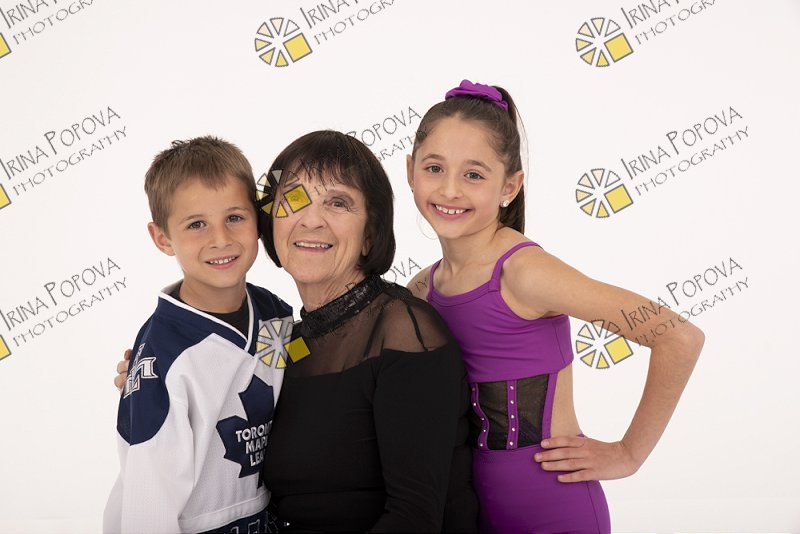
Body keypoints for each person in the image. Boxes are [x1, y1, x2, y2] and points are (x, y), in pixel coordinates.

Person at [113, 131, 478, 532]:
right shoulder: (285, 334)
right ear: (268, 222)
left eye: (337, 202)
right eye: (294, 199)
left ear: (370, 233)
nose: (311, 219)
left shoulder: (405, 337)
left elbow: (415, 518)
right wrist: (155, 374)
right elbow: (233, 368)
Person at [405, 80, 705, 533]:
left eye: (474, 175)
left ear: (510, 186)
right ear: (410, 171)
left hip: (554, 509)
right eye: (434, 168)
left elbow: (678, 336)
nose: (449, 190)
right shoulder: (422, 288)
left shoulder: (523, 273)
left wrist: (628, 453)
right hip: (468, 511)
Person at [104, 136, 293, 533]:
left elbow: (305, 372)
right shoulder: (165, 355)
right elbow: (148, 505)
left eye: (235, 217)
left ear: (258, 220)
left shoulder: (276, 316)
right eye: (196, 224)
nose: (220, 239)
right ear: (162, 238)